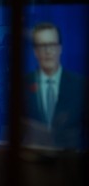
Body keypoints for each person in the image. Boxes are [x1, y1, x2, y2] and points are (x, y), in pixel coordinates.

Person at [22, 22, 87, 150]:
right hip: (33, 160)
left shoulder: (80, 84)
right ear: (35, 51)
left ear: (60, 48)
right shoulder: (22, 85)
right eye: (42, 46)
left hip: (71, 161)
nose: (48, 51)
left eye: (52, 44)